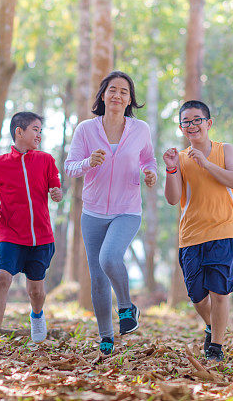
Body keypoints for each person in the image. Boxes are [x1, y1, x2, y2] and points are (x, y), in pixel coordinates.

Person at [65, 71, 158, 355]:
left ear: (130, 100)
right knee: (97, 277)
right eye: (113, 90)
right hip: (92, 211)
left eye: (124, 92)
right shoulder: (85, 129)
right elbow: (69, 167)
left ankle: (127, 307)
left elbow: (148, 158)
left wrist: (151, 172)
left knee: (109, 257)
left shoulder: (140, 129)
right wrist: (87, 162)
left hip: (127, 209)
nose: (118, 95)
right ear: (103, 94)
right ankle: (106, 336)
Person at [163, 100, 233, 362]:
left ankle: (216, 347)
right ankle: (212, 325)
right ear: (181, 127)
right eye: (186, 121)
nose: (192, 125)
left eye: (197, 120)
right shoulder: (181, 158)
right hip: (191, 235)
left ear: (208, 123)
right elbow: (173, 199)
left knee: (220, 293)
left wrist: (206, 163)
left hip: (224, 230)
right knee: (198, 297)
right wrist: (171, 168)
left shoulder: (225, 150)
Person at [0, 111, 63, 351]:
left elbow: (56, 186)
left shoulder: (46, 160)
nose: (39, 135)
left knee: (36, 291)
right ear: (19, 131)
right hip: (10, 235)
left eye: (41, 131)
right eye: (35, 129)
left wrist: (57, 193)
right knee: (2, 278)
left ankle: (36, 315)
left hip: (41, 237)